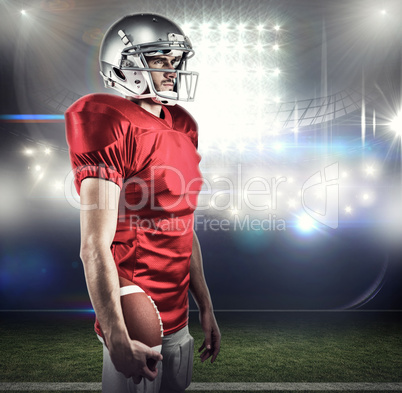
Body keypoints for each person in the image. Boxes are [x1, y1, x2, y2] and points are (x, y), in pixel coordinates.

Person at [65, 13, 221, 393]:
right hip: (136, 309)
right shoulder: (108, 120)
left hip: (178, 312)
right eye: (159, 61)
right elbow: (93, 245)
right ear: (126, 63)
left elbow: (182, 227)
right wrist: (117, 334)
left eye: (175, 61)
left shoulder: (182, 125)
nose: (172, 70)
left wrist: (206, 306)